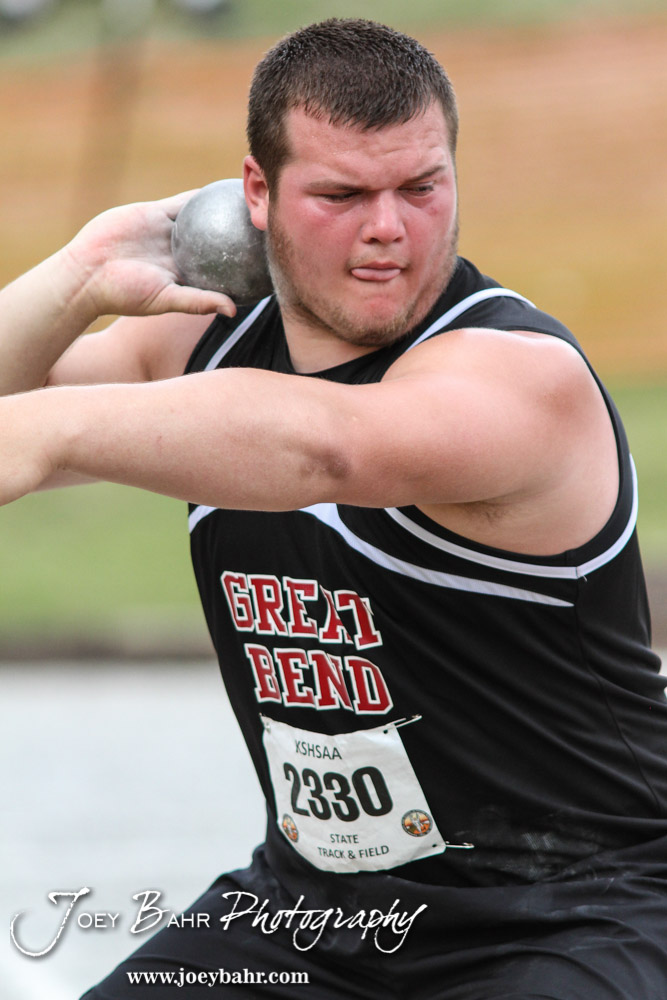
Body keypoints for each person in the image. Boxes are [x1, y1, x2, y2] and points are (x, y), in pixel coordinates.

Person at [2, 17, 666, 999]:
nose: (388, 227)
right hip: (317, 913)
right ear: (256, 194)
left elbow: (324, 445)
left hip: (581, 909)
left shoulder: (518, 379)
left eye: (421, 188)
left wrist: (47, 431)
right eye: (342, 195)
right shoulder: (203, 345)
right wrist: (76, 277)